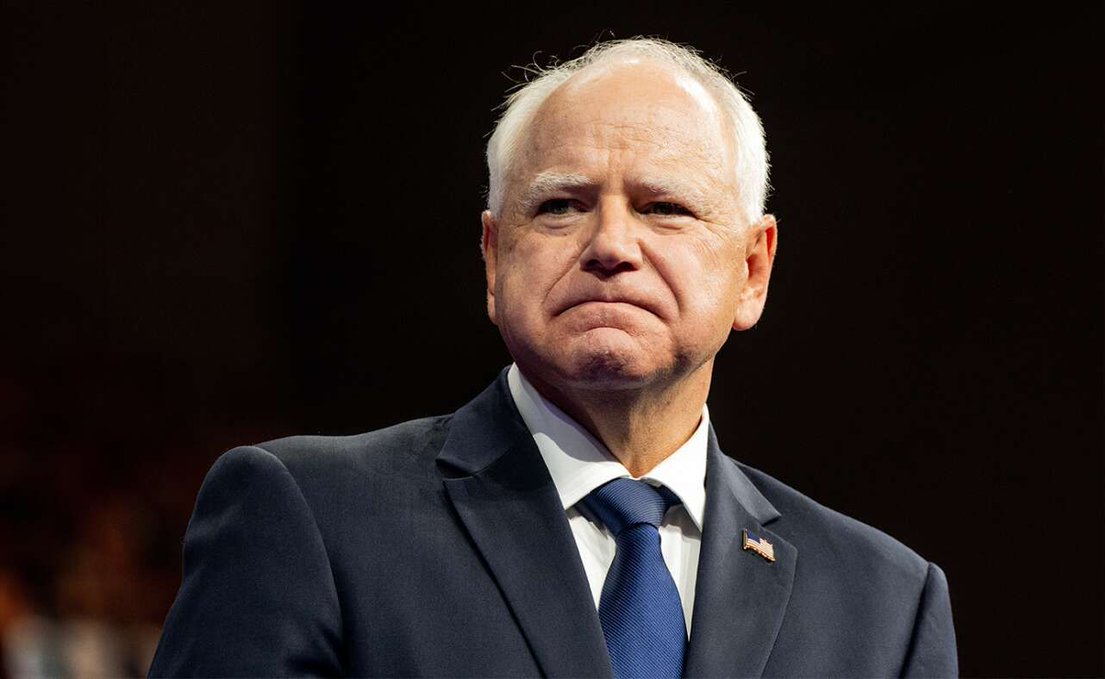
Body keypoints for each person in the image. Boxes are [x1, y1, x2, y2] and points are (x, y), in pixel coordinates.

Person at [149, 38, 957, 678]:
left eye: (664, 207)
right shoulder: (312, 517)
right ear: (494, 258)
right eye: (562, 205)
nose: (611, 245)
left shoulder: (886, 602)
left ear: (752, 269)